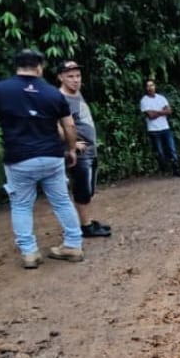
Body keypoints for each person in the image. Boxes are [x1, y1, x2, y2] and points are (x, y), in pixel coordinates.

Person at [0, 48, 84, 267]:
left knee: (21, 205)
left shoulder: (1, 90)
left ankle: (30, 253)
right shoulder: (54, 93)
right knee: (62, 201)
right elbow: (69, 125)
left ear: (17, 66)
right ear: (40, 67)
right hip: (52, 157)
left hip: (19, 158)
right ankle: (73, 245)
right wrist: (72, 149)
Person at [56, 60, 111, 238]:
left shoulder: (76, 93)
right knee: (81, 190)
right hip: (78, 152)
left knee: (88, 189)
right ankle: (86, 227)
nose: (75, 80)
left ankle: (86, 221)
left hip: (90, 148)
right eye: (70, 76)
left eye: (78, 76)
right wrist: (71, 144)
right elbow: (53, 125)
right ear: (60, 77)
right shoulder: (59, 98)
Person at [139, 78, 180, 176]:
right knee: (160, 152)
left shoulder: (161, 98)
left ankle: (177, 170)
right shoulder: (144, 101)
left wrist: (156, 112)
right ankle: (165, 170)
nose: (150, 88)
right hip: (153, 130)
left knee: (172, 149)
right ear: (145, 88)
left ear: (155, 86)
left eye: (152, 85)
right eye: (148, 86)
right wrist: (162, 112)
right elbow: (150, 115)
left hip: (165, 128)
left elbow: (169, 111)